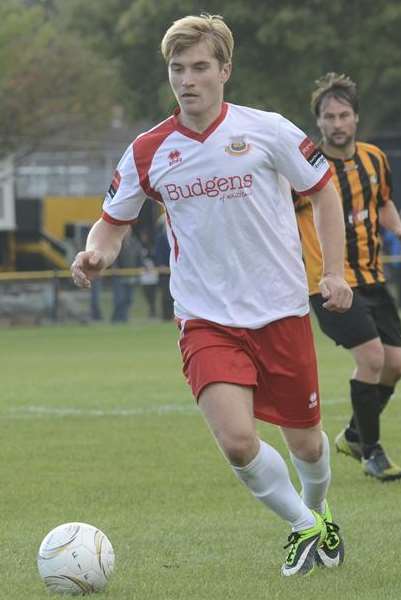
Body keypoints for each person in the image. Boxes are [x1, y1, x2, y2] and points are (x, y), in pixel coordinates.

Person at [71, 14, 353, 576]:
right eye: (178, 69)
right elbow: (112, 223)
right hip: (206, 319)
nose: (188, 79)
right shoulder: (148, 151)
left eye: (200, 67)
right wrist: (96, 252)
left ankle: (318, 513)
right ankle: (303, 526)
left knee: (309, 447)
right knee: (238, 441)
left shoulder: (268, 129)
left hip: (281, 312)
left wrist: (335, 271)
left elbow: (324, 192)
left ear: (225, 70)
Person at [294, 72, 401, 481]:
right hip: (329, 284)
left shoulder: (374, 159)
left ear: (356, 118)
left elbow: (383, 203)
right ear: (318, 123)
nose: (337, 123)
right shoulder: (304, 169)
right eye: (329, 116)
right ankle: (372, 452)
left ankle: (356, 434)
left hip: (372, 278)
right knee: (373, 358)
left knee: (395, 364)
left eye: (344, 115)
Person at [111, 228, 142, 323]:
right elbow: (114, 258)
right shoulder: (117, 243)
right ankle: (116, 319)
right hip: (120, 277)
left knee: (129, 299)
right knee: (119, 299)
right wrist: (115, 270)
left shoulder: (135, 242)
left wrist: (141, 267)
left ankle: (124, 318)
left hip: (131, 276)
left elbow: (139, 257)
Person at [154, 214, 174, 320]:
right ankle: (166, 316)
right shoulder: (161, 238)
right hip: (164, 273)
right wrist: (161, 265)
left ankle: (174, 316)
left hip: (176, 272)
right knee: (166, 295)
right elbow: (158, 254)